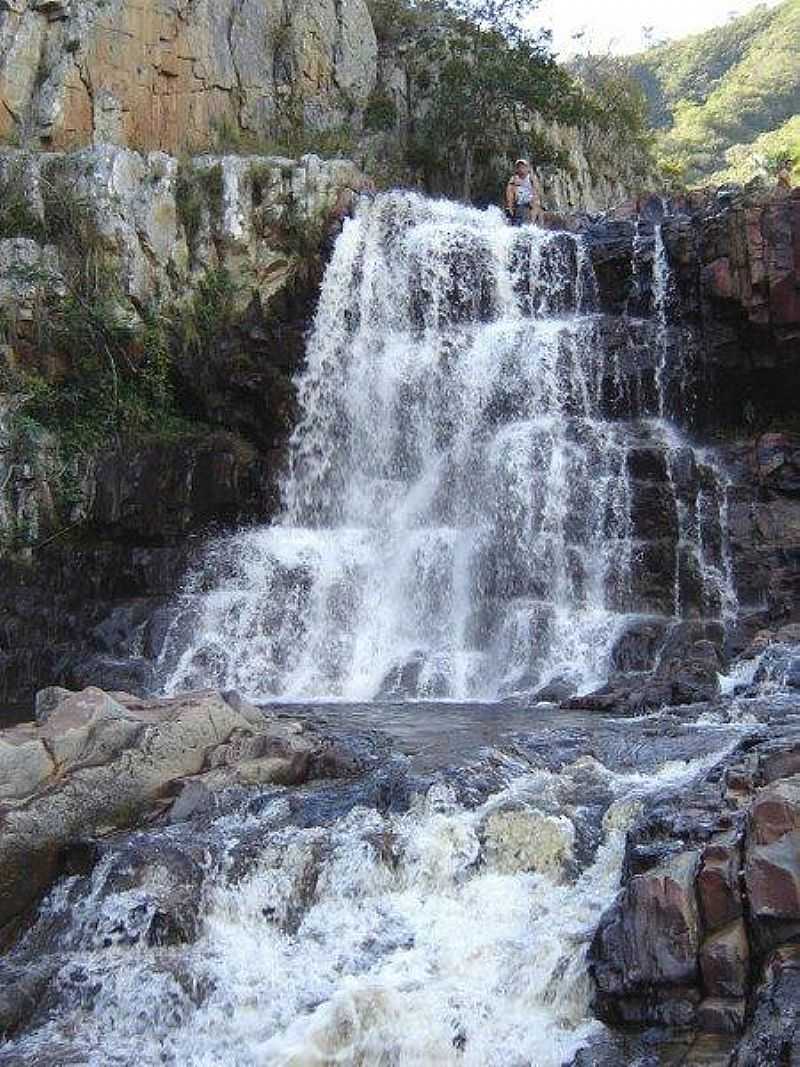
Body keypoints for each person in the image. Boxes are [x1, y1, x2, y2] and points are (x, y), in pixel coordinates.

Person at [505, 158, 540, 226]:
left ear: (527, 168)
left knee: (535, 201)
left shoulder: (531, 177)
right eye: (519, 167)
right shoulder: (514, 178)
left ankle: (532, 223)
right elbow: (509, 190)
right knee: (511, 188)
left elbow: (536, 188)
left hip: (529, 196)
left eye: (523, 167)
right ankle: (511, 211)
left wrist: (534, 196)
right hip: (518, 197)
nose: (521, 169)